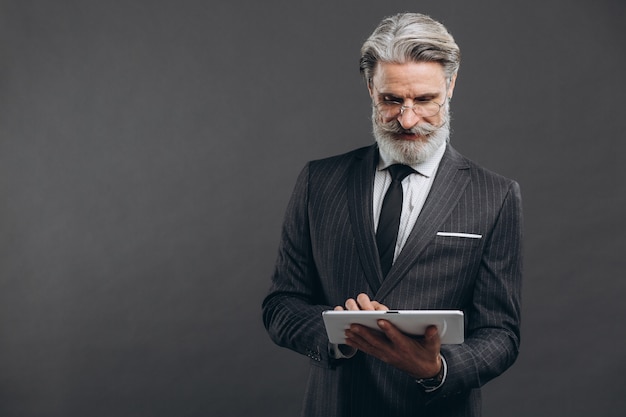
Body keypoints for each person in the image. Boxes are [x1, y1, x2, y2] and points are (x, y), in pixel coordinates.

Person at [262, 12, 523, 417]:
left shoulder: (495, 195)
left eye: (424, 100)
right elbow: (281, 304)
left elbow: (501, 334)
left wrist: (437, 369)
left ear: (450, 86)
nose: (407, 119)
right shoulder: (319, 181)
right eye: (391, 100)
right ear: (370, 88)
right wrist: (340, 334)